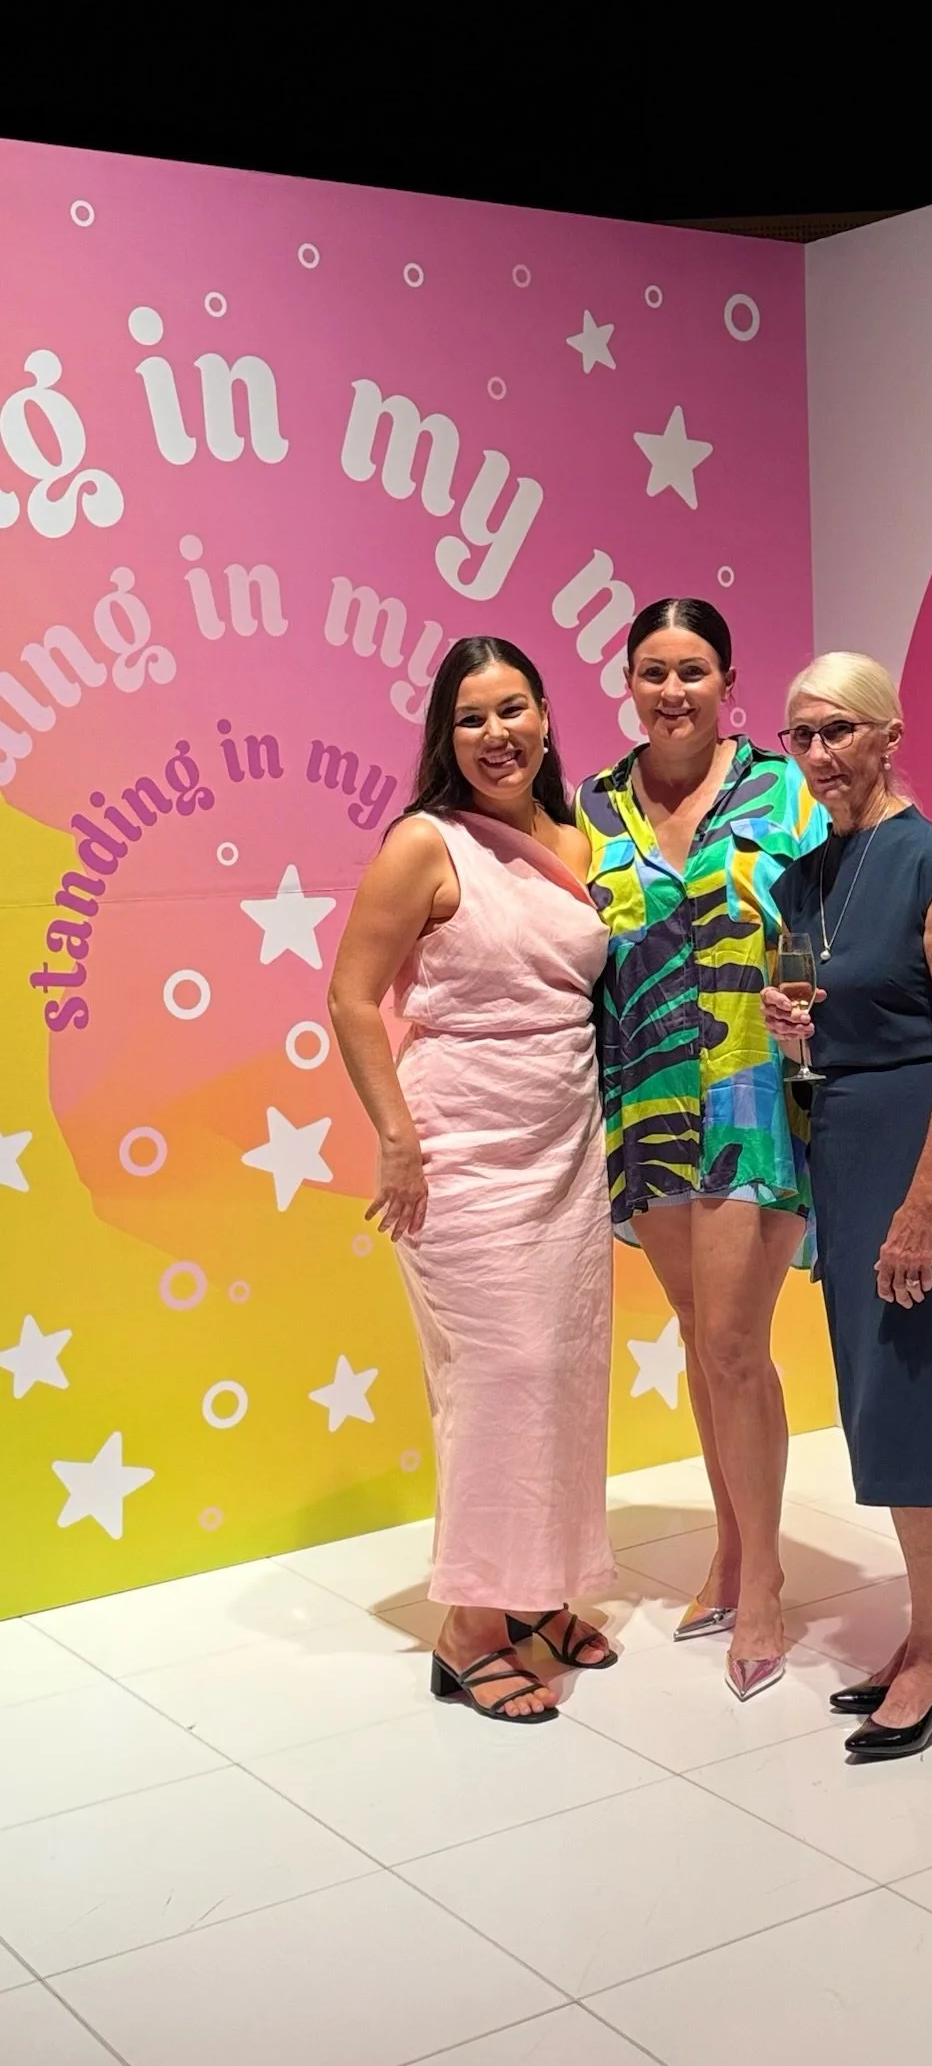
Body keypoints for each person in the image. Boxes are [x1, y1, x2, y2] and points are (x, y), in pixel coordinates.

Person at [328, 636, 619, 1722]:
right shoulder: (425, 842)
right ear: (445, 738)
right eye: (471, 719)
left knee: (563, 1374)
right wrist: (397, 1139)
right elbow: (353, 998)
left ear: (546, 714)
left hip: (565, 1146)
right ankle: (469, 1630)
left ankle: (538, 1595)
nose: (497, 735)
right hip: (461, 1151)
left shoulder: (577, 840)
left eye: (514, 710)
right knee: (501, 1378)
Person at [577, 598, 827, 1700]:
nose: (670, 690)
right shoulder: (588, 804)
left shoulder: (786, 791)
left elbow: (849, 910)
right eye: (650, 671)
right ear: (626, 681)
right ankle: (729, 1546)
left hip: (751, 1095)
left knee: (734, 1344)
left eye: (691, 670)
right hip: (645, 1097)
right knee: (695, 1334)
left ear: (728, 680)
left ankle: (764, 1577)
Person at [764, 652, 932, 1763]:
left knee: (910, 1389)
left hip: (919, 1155)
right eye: (799, 736)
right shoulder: (806, 878)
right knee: (872, 1387)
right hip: (846, 1150)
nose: (816, 756)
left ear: (890, 735)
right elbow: (822, 1032)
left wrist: (919, 1209)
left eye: (837, 733)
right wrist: (790, 1030)